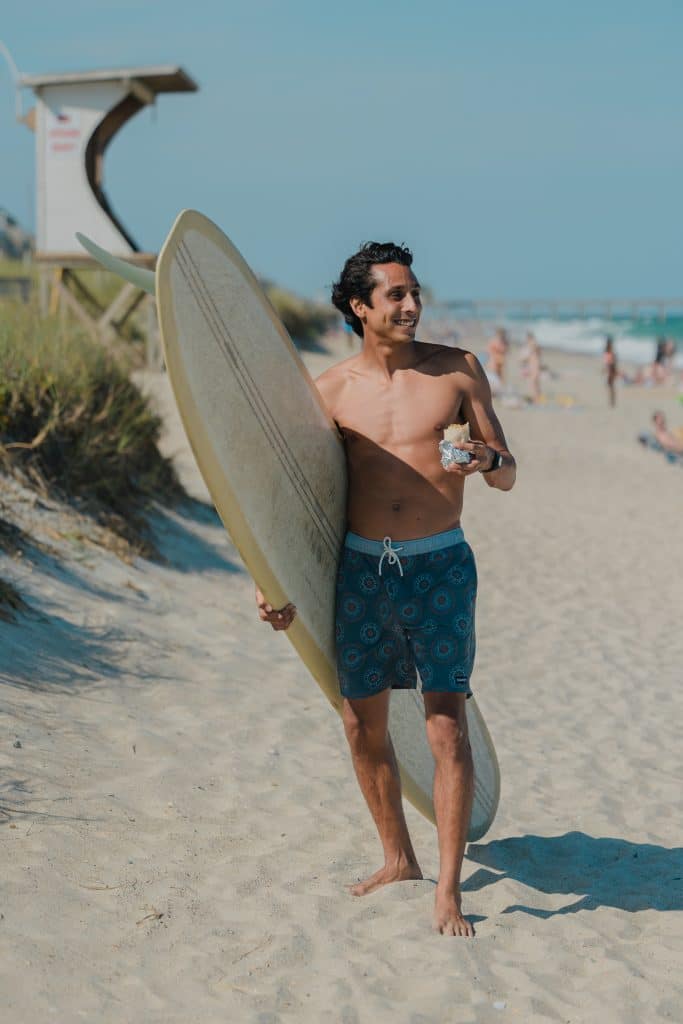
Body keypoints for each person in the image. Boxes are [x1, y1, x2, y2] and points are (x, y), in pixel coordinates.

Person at [256, 242, 516, 938]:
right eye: (394, 295)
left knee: (444, 726)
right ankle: (398, 858)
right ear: (358, 307)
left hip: (439, 567)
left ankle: (448, 891)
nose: (410, 305)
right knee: (359, 722)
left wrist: (483, 457)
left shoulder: (457, 371)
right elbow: (295, 501)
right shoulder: (330, 391)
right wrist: (271, 582)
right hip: (364, 570)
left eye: (413, 292)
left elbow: (505, 473)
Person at [520, 331, 542, 403]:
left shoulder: (533, 345)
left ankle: (536, 398)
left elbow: (529, 355)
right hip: (533, 366)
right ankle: (536, 397)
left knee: (534, 382)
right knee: (534, 383)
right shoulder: (533, 346)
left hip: (535, 366)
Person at [485, 327, 509, 394]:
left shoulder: (504, 342)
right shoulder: (494, 342)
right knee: (494, 382)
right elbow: (489, 352)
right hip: (493, 366)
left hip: (498, 366)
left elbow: (505, 353)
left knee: (499, 383)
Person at [603, 336, 618, 407]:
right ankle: (612, 401)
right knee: (610, 386)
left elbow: (611, 363)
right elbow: (609, 362)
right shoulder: (610, 352)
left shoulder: (610, 353)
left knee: (611, 386)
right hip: (611, 370)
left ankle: (612, 402)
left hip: (611, 371)